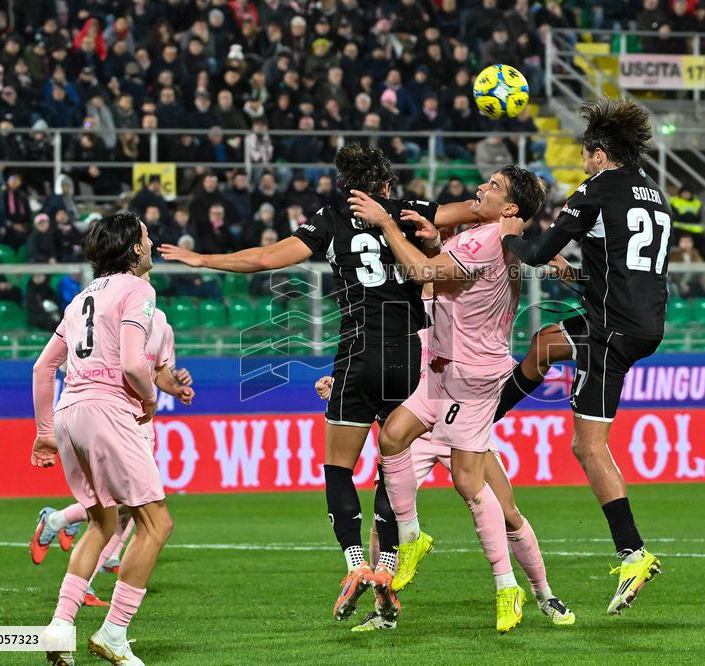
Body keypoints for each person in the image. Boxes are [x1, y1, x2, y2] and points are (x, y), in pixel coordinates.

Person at [159, 144, 476, 627]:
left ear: (347, 187)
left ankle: (356, 564)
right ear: (386, 186)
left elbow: (268, 258)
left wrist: (203, 259)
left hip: (359, 348)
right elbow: (474, 209)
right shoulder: (411, 213)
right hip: (408, 352)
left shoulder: (330, 219)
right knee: (392, 465)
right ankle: (387, 571)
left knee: (338, 467)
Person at [347, 164, 547, 633]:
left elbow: (420, 274)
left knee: (469, 484)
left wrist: (386, 223)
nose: (481, 187)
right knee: (392, 437)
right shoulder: (485, 236)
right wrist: (437, 243)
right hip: (442, 370)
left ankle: (511, 588)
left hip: (470, 379)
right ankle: (412, 537)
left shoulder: (488, 238)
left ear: (511, 208)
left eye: (493, 186)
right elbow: (450, 280)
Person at [489, 98, 670, 615]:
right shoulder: (656, 195)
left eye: (586, 156)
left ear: (598, 154)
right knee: (546, 342)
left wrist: (511, 237)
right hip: (638, 322)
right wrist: (579, 276)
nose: (583, 164)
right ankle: (490, 417)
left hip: (609, 330)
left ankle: (632, 552)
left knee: (588, 447)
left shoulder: (595, 189)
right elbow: (628, 266)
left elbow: (538, 252)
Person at [314, 279, 575, 632]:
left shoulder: (467, 325)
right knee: (382, 526)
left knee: (509, 513)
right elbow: (387, 376)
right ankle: (383, 609)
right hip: (417, 433)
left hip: (461, 429)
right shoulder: (406, 326)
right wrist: (338, 384)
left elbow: (494, 378)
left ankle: (543, 594)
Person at [31, 210, 170, 665]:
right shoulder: (138, 290)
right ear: (134, 248)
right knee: (156, 524)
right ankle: (114, 631)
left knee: (101, 521)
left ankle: (59, 626)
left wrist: (45, 433)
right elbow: (133, 364)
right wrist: (149, 400)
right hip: (108, 408)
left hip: (70, 411)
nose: (151, 244)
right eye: (147, 238)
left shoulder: (78, 301)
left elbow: (42, 367)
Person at [31, 276, 194, 608]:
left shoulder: (160, 322)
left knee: (122, 511)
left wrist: (175, 386)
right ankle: (59, 522)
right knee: (134, 510)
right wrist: (146, 397)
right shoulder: (109, 308)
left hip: (138, 422)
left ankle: (78, 590)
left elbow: (159, 370)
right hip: (113, 414)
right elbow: (72, 363)